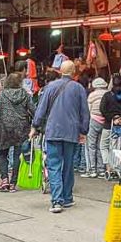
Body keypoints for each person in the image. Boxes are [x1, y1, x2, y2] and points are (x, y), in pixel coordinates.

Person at [30, 60, 89, 214]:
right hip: (71, 132)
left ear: (60, 71)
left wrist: (35, 126)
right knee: (68, 165)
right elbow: (85, 112)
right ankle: (67, 197)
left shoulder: (50, 87)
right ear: (74, 71)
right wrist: (84, 130)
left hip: (53, 131)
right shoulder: (79, 89)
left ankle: (57, 200)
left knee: (54, 165)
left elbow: (41, 109)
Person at [0, 72, 33, 191]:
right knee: (17, 155)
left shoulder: (2, 95)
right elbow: (33, 111)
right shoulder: (25, 95)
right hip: (21, 128)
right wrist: (36, 126)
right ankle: (13, 182)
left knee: (2, 154)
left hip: (4, 128)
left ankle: (4, 180)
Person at [99, 74, 121, 178]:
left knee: (104, 146)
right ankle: (120, 168)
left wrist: (112, 118)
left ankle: (108, 167)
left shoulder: (107, 96)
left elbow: (102, 110)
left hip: (108, 125)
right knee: (120, 147)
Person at [83, 76, 108, 178]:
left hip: (93, 120)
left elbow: (87, 110)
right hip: (104, 121)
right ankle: (101, 169)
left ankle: (92, 170)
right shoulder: (107, 94)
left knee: (91, 146)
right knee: (100, 145)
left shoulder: (92, 95)